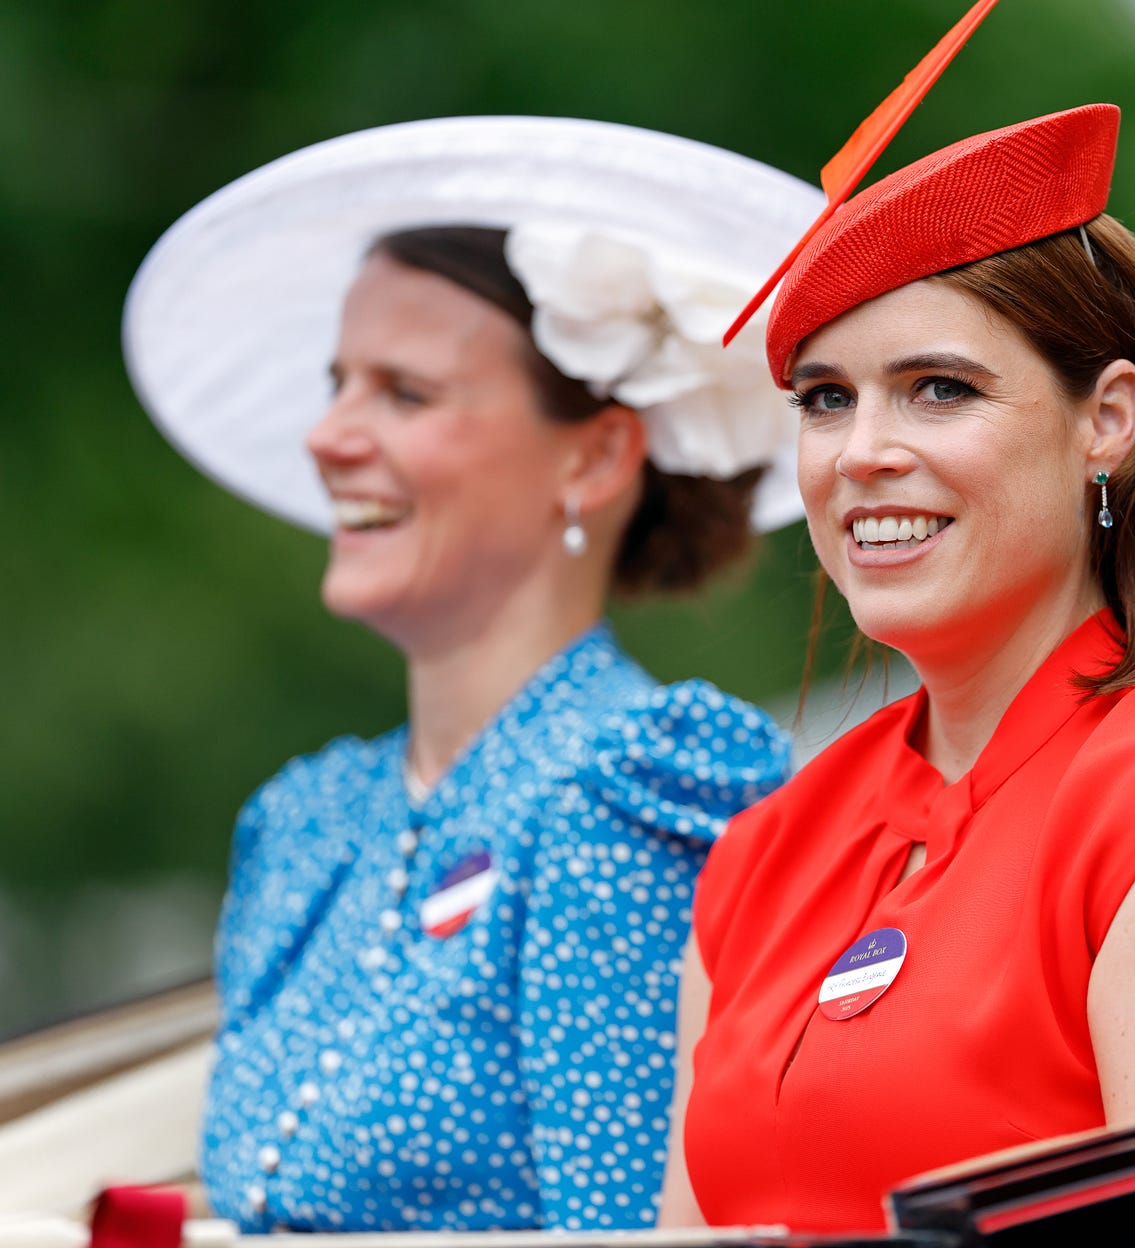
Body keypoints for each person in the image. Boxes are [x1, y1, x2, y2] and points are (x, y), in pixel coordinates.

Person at [658, 103, 1135, 1232]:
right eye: (826, 399)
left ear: (1108, 419)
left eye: (939, 388)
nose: (862, 452)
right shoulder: (763, 849)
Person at [122, 116, 823, 1232]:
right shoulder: (304, 818)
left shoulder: (628, 790)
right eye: (336, 381)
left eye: (404, 393)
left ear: (592, 457)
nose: (327, 435)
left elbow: (624, 1228)